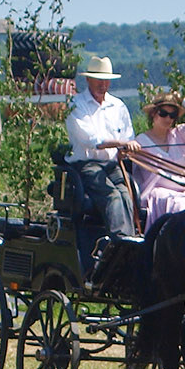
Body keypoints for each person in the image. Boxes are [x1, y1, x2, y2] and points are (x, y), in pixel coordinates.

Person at [63, 54, 137, 238]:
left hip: (112, 164)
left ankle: (131, 238)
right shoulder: (76, 105)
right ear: (88, 79)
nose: (103, 85)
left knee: (127, 195)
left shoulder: (118, 106)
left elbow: (128, 136)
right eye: (98, 80)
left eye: (106, 81)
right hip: (86, 165)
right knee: (111, 196)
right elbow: (91, 140)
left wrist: (126, 151)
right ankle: (118, 242)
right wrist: (121, 143)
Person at [127, 91, 185, 227]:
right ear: (154, 113)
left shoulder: (179, 134)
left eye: (172, 115)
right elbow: (161, 178)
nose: (168, 119)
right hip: (157, 193)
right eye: (163, 113)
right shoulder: (141, 142)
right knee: (180, 207)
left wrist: (183, 100)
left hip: (183, 193)